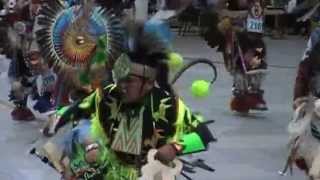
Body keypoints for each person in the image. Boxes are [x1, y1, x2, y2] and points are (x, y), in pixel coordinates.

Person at [37, 21, 215, 180]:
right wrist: (57, 119)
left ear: (148, 84)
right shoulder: (108, 95)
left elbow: (203, 134)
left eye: (129, 81)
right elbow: (75, 110)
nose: (121, 85)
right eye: (120, 79)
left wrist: (175, 147)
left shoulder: (169, 105)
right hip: (109, 169)